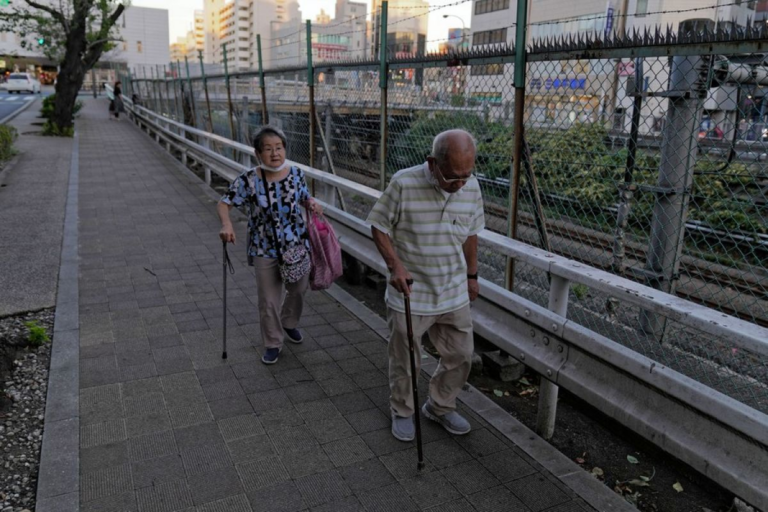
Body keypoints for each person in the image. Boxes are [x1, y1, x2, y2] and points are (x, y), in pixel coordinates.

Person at [367, 129, 485, 441]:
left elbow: (471, 233)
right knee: (406, 358)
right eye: (451, 177)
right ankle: (403, 410)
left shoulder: (470, 186)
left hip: (452, 290)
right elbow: (378, 226)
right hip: (412, 292)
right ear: (432, 163)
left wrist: (472, 277)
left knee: (462, 354)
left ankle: (440, 406)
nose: (459, 185)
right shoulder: (404, 183)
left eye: (465, 175)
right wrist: (395, 265)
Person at [218, 126, 322, 365]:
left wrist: (313, 204)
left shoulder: (296, 174)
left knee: (298, 289)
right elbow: (224, 203)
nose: (275, 154)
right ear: (258, 153)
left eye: (279, 148)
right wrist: (227, 225)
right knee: (268, 299)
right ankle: (273, 342)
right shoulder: (249, 180)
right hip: (264, 248)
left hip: (296, 246)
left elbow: (305, 197)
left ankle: (288, 322)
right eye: (268, 149)